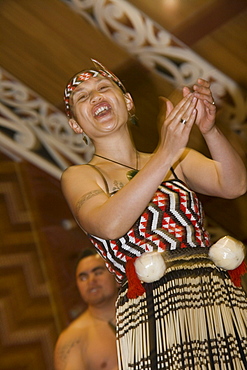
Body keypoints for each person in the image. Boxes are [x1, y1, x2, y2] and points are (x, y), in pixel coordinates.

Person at [61, 59, 247, 369]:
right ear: (76, 125)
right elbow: (109, 224)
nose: (95, 97)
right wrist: (165, 153)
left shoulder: (178, 159)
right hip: (153, 311)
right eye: (82, 96)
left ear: (128, 102)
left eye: (103, 88)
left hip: (212, 294)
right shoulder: (80, 175)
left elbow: (235, 184)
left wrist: (210, 130)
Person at [54, 249, 119, 370]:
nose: (91, 281)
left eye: (98, 272)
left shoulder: (143, 312)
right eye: (83, 278)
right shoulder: (72, 339)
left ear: (117, 277)